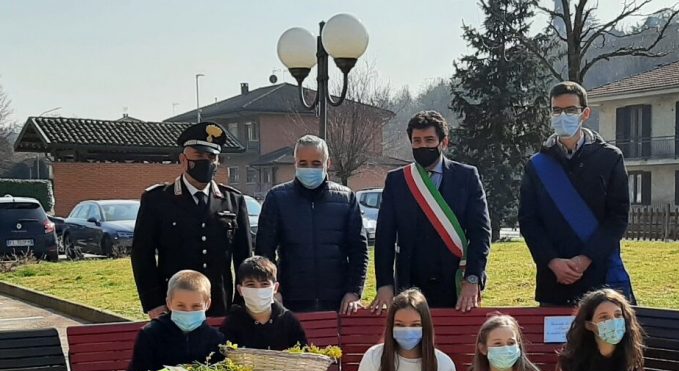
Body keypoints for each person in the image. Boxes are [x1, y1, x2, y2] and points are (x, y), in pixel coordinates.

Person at [518, 81, 633, 307]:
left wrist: (586, 258)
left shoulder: (610, 158)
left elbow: (617, 218)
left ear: (585, 113)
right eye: (556, 110)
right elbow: (528, 221)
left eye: (570, 110)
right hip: (554, 281)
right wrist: (552, 262)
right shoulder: (536, 165)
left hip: (600, 277)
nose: (563, 116)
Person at [372, 110, 491, 313]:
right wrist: (384, 284)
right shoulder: (397, 181)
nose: (423, 146)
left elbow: (480, 233)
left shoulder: (467, 177)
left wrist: (473, 278)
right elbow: (384, 237)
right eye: (417, 141)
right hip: (410, 282)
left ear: (444, 142)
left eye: (429, 140)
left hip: (456, 282)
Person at [131, 122, 252, 318]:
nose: (206, 161)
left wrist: (240, 303)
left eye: (212, 157)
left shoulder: (233, 201)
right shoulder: (157, 200)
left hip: (220, 304)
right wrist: (153, 302)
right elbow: (141, 255)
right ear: (183, 159)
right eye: (199, 156)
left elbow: (243, 258)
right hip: (175, 305)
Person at [255, 135, 368, 314]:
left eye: (316, 163)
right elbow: (264, 252)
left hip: (337, 301)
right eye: (303, 163)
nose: (309, 168)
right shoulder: (277, 198)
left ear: (327, 163)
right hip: (290, 300)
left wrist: (354, 291)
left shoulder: (346, 198)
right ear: (295, 163)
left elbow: (359, 250)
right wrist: (273, 291)